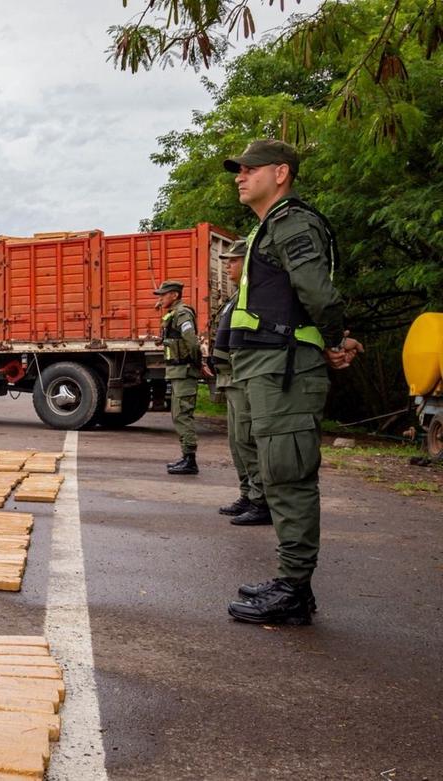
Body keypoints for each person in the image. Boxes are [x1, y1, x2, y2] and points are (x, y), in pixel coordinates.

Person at [221, 139, 362, 625]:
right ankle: (291, 580)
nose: (240, 176)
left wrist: (334, 339)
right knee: (279, 472)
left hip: (285, 368)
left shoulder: (292, 222)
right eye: (237, 171)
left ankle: (294, 590)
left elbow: (317, 293)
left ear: (280, 172)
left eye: (248, 169)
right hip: (268, 366)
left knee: (288, 475)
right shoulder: (268, 227)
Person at [211, 239, 270, 526]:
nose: (228, 265)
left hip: (244, 376)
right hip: (231, 377)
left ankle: (262, 500)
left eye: (233, 260)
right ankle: (248, 494)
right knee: (237, 442)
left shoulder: (257, 293)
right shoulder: (237, 297)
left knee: (247, 439)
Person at [156, 279, 208, 475]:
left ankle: (190, 460)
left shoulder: (183, 313)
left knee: (183, 415)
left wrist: (197, 363)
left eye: (163, 295)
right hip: (178, 372)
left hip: (184, 370)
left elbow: (192, 342)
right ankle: (186, 457)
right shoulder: (174, 313)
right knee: (178, 414)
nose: (160, 299)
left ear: (175, 295)